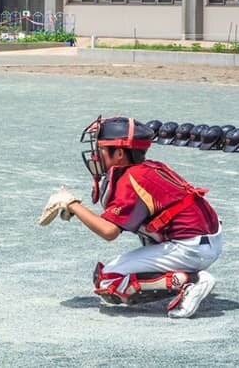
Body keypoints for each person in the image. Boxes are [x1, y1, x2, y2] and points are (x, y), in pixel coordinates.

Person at [39, 116, 223, 319]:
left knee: (108, 281)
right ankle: (184, 275)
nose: (95, 155)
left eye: (100, 149)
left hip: (189, 247)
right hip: (202, 241)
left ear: (119, 153)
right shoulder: (146, 168)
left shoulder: (130, 179)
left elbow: (109, 231)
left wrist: (72, 203)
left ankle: (192, 280)